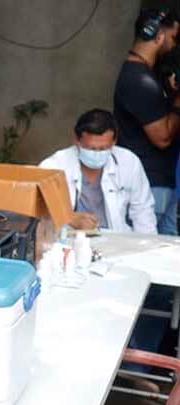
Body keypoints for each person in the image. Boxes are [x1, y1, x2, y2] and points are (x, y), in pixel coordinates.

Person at [114, 7, 180, 235]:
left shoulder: (144, 75)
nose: (173, 45)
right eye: (173, 38)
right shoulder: (139, 80)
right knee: (148, 251)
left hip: (160, 183)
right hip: (150, 185)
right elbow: (162, 138)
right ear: (158, 35)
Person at [39, 109, 156, 234]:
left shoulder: (129, 162)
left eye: (104, 148)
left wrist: (148, 243)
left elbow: (143, 212)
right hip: (69, 239)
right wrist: (68, 217)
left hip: (116, 239)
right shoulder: (53, 166)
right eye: (91, 148)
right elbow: (35, 211)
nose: (97, 153)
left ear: (114, 141)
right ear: (76, 140)